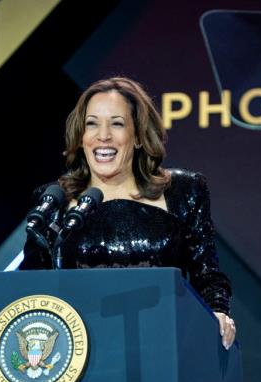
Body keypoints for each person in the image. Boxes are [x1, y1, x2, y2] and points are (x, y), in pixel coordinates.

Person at [20, 76, 236, 349]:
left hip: (165, 347)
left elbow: (208, 275)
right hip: (80, 354)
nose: (103, 135)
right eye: (92, 124)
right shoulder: (55, 201)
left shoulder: (183, 191)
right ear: (81, 136)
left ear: (137, 136)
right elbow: (29, 291)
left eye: (117, 124)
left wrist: (217, 314)